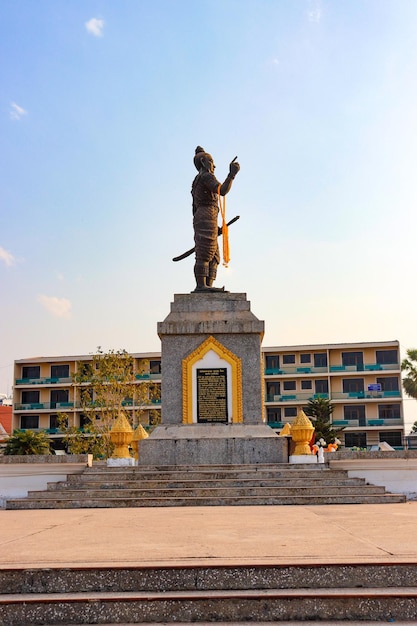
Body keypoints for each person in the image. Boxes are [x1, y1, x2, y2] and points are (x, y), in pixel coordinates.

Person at [191, 146, 240, 292]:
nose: (214, 165)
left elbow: (194, 208)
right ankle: (201, 285)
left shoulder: (196, 181)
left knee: (214, 255)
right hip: (206, 216)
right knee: (205, 251)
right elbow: (222, 190)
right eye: (211, 161)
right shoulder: (205, 176)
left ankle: (208, 285)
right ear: (203, 161)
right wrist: (231, 175)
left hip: (207, 217)